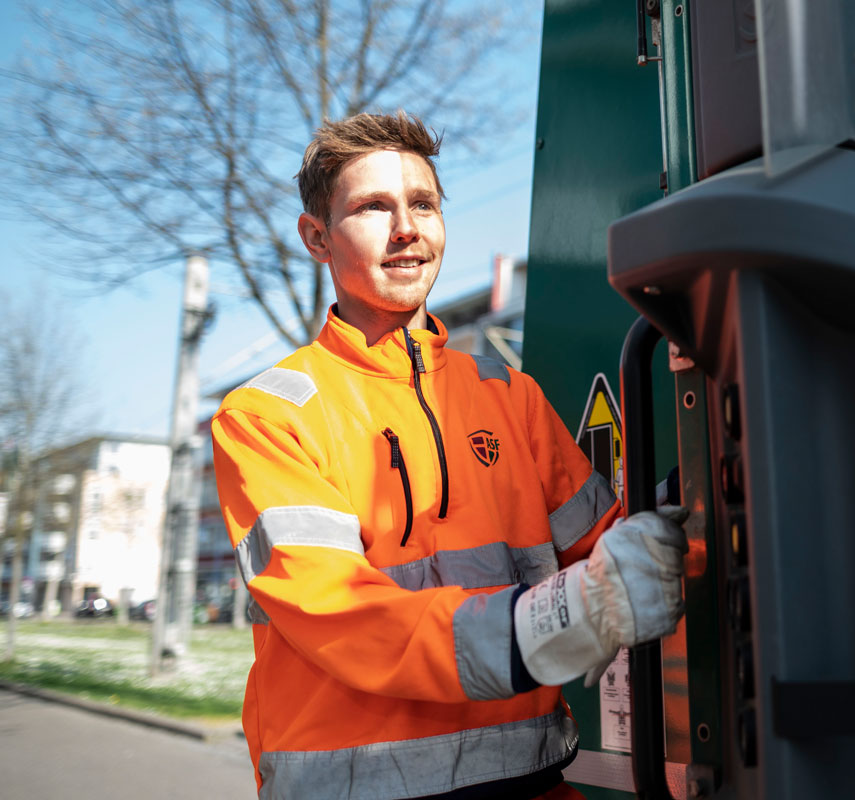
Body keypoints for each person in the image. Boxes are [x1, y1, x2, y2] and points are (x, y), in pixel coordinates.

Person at [211, 111, 687, 800]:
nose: (407, 228)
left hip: (533, 785)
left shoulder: (508, 397)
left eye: (424, 205)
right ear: (317, 237)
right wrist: (552, 624)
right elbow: (343, 613)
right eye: (375, 207)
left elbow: (608, 553)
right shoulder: (266, 416)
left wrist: (689, 506)